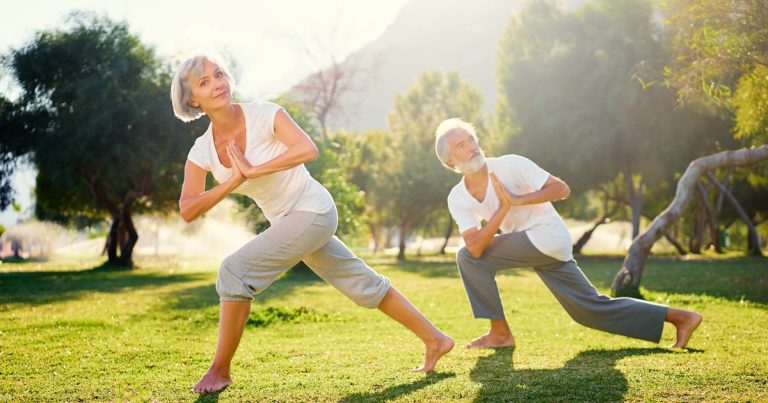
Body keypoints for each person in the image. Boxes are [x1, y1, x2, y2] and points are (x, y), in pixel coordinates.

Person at [171, 52, 454, 394]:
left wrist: (254, 170)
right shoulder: (202, 150)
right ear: (193, 100)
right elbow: (188, 208)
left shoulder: (265, 114)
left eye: (219, 74)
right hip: (288, 223)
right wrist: (232, 181)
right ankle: (435, 339)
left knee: (234, 272)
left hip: (313, 210)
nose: (217, 84)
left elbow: (307, 149)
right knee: (360, 281)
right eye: (204, 82)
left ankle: (220, 371)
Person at [433, 118, 702, 350]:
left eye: (471, 139)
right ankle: (681, 318)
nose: (472, 147)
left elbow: (561, 189)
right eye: (461, 145)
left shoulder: (511, 165)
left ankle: (500, 334)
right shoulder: (458, 197)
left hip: (547, 236)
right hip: (532, 245)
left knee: (466, 258)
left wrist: (516, 200)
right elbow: (475, 246)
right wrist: (503, 209)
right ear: (449, 161)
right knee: (588, 311)